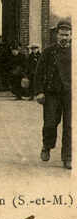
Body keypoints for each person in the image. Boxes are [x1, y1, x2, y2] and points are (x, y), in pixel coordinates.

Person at [35, 21, 71, 169]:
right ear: (57, 35)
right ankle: (47, 146)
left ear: (71, 36)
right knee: (50, 123)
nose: (64, 38)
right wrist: (39, 91)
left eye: (67, 35)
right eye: (62, 34)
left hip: (70, 94)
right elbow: (39, 72)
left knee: (70, 126)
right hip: (52, 93)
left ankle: (68, 157)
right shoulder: (48, 52)